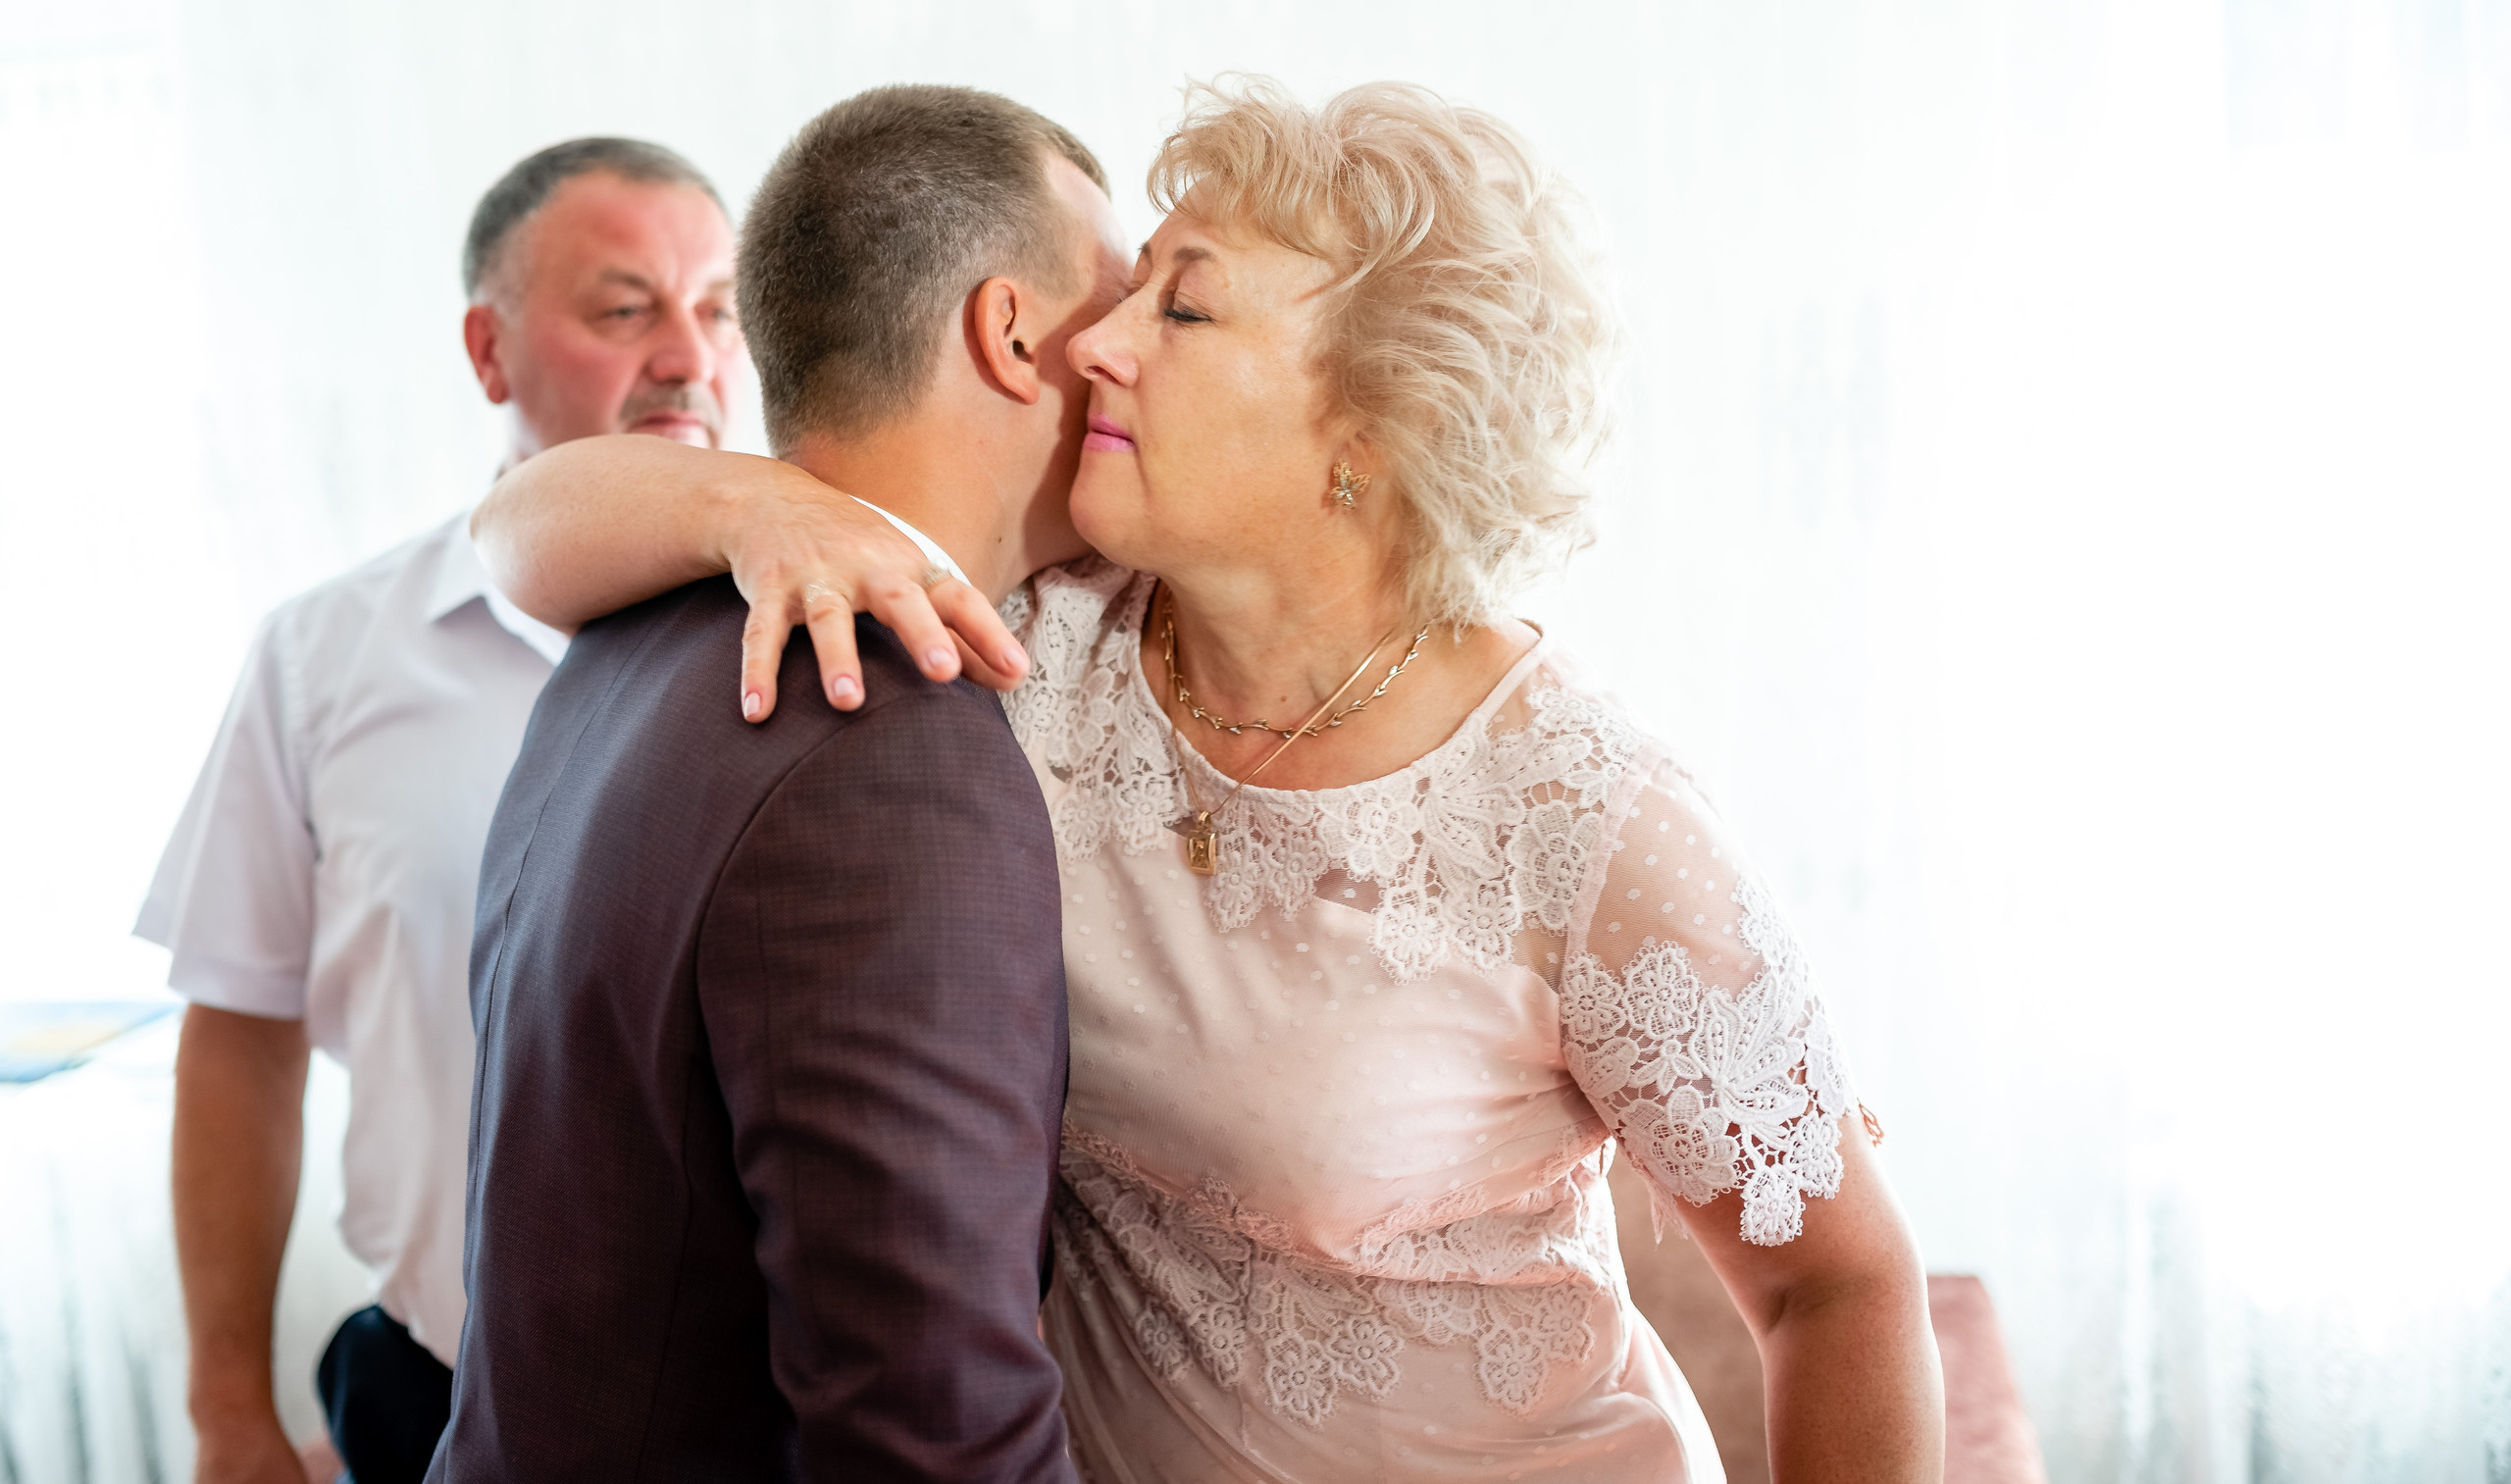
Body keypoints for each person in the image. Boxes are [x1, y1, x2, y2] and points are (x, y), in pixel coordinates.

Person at [476, 79, 1946, 1480]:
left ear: (1367, 436)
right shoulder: (1031, 633)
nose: (1096, 341)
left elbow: (1842, 1284)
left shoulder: (1581, 815)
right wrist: (750, 499)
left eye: (1177, 307)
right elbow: (516, 530)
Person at [425, 85, 1126, 1482]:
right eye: (1109, 309)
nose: (1125, 361)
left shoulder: (632, 627)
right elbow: (929, 1425)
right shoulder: (885, 727)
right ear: (1009, 333)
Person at [139, 135, 749, 1484]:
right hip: (433, 1395)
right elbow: (240, 1040)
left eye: (718, 308)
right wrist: (228, 1407)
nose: (689, 357)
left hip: (759, 1427)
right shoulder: (324, 656)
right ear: (489, 352)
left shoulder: (825, 642)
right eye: (624, 307)